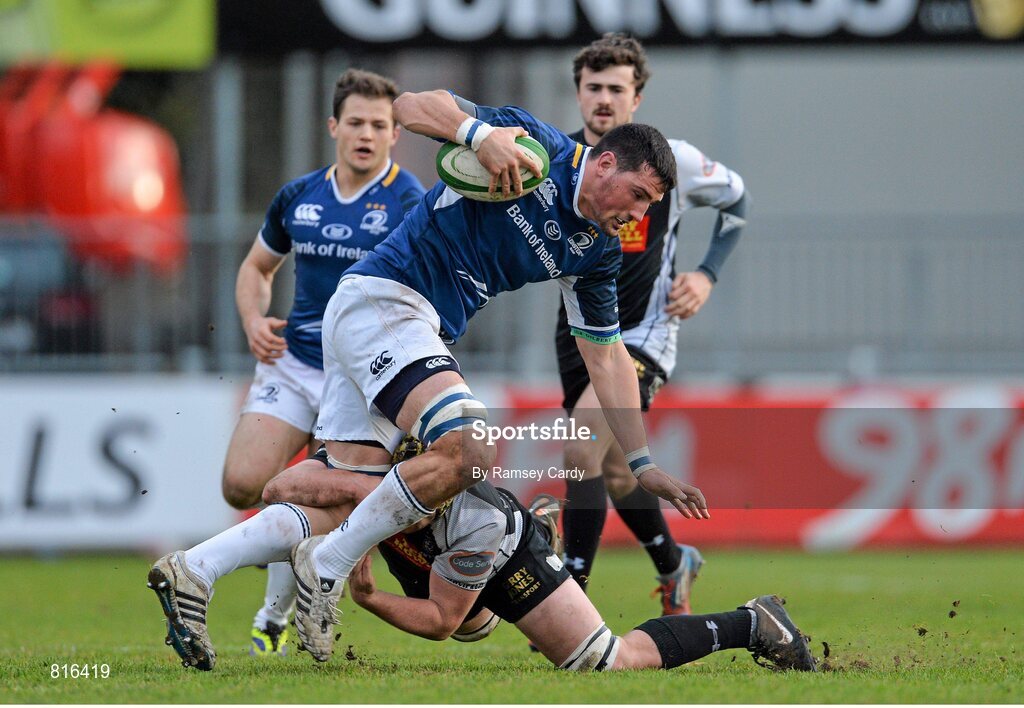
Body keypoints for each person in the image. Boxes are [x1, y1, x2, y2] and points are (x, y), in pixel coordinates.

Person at [281, 86, 711, 661]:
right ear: (605, 163)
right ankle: (327, 565)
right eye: (636, 196)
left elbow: (606, 358)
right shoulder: (536, 147)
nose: (636, 216)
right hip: (387, 299)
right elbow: (408, 106)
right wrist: (478, 136)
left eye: (648, 208)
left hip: (412, 324)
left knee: (321, 481)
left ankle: (195, 570)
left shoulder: (597, 251)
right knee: (468, 448)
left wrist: (641, 462)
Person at [145, 444, 815, 673]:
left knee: (602, 662)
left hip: (495, 554)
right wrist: (358, 496)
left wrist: (368, 596)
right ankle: (543, 534)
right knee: (474, 627)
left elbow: (438, 620)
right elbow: (277, 490)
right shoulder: (387, 482)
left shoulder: (475, 522)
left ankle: (754, 623)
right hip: (441, 560)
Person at [219, 67, 424, 656]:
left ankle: (271, 618)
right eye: (355, 122)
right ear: (334, 126)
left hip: (361, 380)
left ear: (393, 135)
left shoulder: (408, 199)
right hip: (297, 361)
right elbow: (257, 269)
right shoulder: (299, 195)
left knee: (313, 497)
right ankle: (276, 597)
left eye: (379, 125)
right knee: (242, 485)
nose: (366, 133)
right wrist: (254, 321)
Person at [556, 34, 749, 615]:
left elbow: (737, 202)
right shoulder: (560, 160)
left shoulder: (674, 163)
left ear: (637, 98)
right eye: (595, 88)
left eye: (618, 88)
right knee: (617, 473)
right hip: (577, 332)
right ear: (579, 93)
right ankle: (673, 562)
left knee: (580, 451)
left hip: (643, 335)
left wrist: (708, 274)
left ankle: (570, 599)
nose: (605, 99)